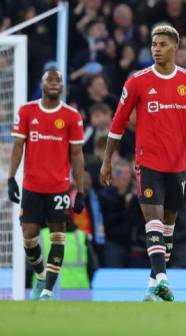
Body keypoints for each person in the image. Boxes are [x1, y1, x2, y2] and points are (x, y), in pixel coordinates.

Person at [100, 25, 186, 302]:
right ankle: (164, 278)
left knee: (168, 227)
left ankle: (152, 286)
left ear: (175, 47)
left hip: (177, 165)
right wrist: (107, 159)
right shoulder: (137, 81)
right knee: (152, 220)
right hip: (148, 162)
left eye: (163, 44)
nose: (156, 48)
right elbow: (118, 122)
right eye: (154, 44)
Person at [8, 70, 86, 300]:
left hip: (58, 188)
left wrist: (79, 191)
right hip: (32, 186)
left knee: (57, 237)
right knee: (29, 236)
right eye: (49, 80)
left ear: (62, 87)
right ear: (41, 84)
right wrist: (11, 178)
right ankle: (40, 275)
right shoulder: (26, 111)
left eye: (58, 81)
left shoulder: (71, 116)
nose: (54, 84)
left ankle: (47, 291)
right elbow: (18, 147)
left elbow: (77, 154)